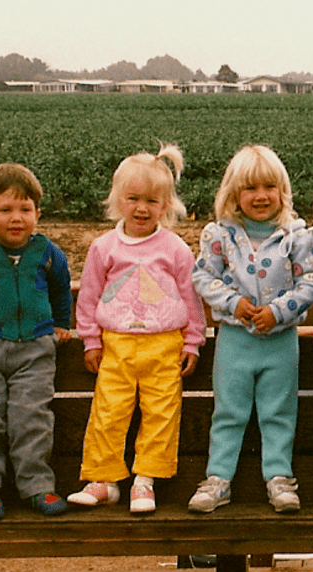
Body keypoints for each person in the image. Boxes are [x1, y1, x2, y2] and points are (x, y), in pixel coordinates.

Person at [68, 143, 205, 514]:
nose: (142, 208)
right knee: (108, 412)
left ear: (166, 205)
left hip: (164, 346)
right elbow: (89, 297)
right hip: (116, 347)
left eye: (152, 201)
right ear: (118, 200)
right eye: (133, 199)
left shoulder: (175, 249)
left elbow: (192, 298)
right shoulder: (104, 248)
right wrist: (90, 340)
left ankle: (145, 480)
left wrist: (192, 342)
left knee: (162, 413)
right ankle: (103, 480)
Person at [188, 144, 313, 514]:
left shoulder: (297, 236)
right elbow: (203, 276)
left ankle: (279, 477)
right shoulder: (220, 235)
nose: (261, 196)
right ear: (234, 194)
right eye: (250, 188)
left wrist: (278, 312)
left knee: (278, 412)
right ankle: (218, 479)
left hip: (280, 342)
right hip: (234, 339)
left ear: (283, 191)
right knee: (229, 412)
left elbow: (311, 283)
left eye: (269, 187)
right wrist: (233, 302)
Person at [0, 163, 72, 520]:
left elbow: (61, 290)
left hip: (35, 351)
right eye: (5, 209)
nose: (16, 218)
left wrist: (62, 324)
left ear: (37, 213)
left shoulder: (48, 253)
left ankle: (36, 485)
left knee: (31, 417)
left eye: (25, 209)